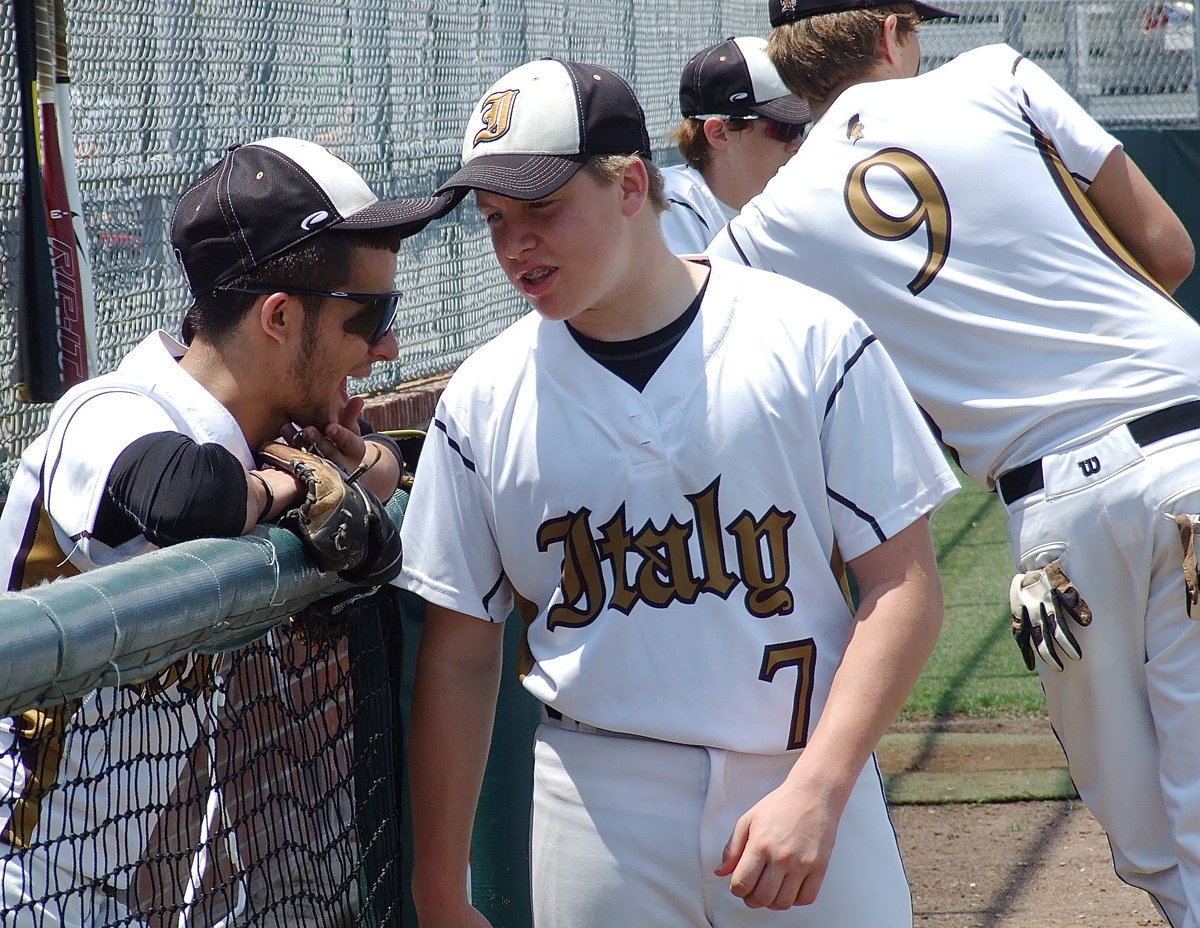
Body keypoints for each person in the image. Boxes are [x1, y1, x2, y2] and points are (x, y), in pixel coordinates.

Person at [398, 57, 958, 926]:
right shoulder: (482, 401)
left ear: (629, 186)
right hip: (596, 797)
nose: (516, 246)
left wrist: (819, 789)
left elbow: (905, 589)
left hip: (802, 771)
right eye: (496, 219)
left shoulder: (809, 340)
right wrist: (439, 891)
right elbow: (462, 656)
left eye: (543, 208)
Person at [707, 1, 1200, 923]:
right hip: (1188, 445)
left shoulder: (762, 228)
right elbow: (1169, 249)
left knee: (1146, 840)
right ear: (894, 30)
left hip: (1049, 518)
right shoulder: (998, 75)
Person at [0, 136, 451, 925]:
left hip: (89, 888)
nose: (389, 348)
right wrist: (301, 481)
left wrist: (357, 466)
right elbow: (185, 497)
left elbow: (385, 489)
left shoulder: (253, 438)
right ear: (279, 316)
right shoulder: (113, 409)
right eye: (372, 315)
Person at [660, 36, 810, 254]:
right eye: (784, 130)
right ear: (719, 134)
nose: (799, 144)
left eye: (802, 128)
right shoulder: (672, 208)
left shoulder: (790, 202)